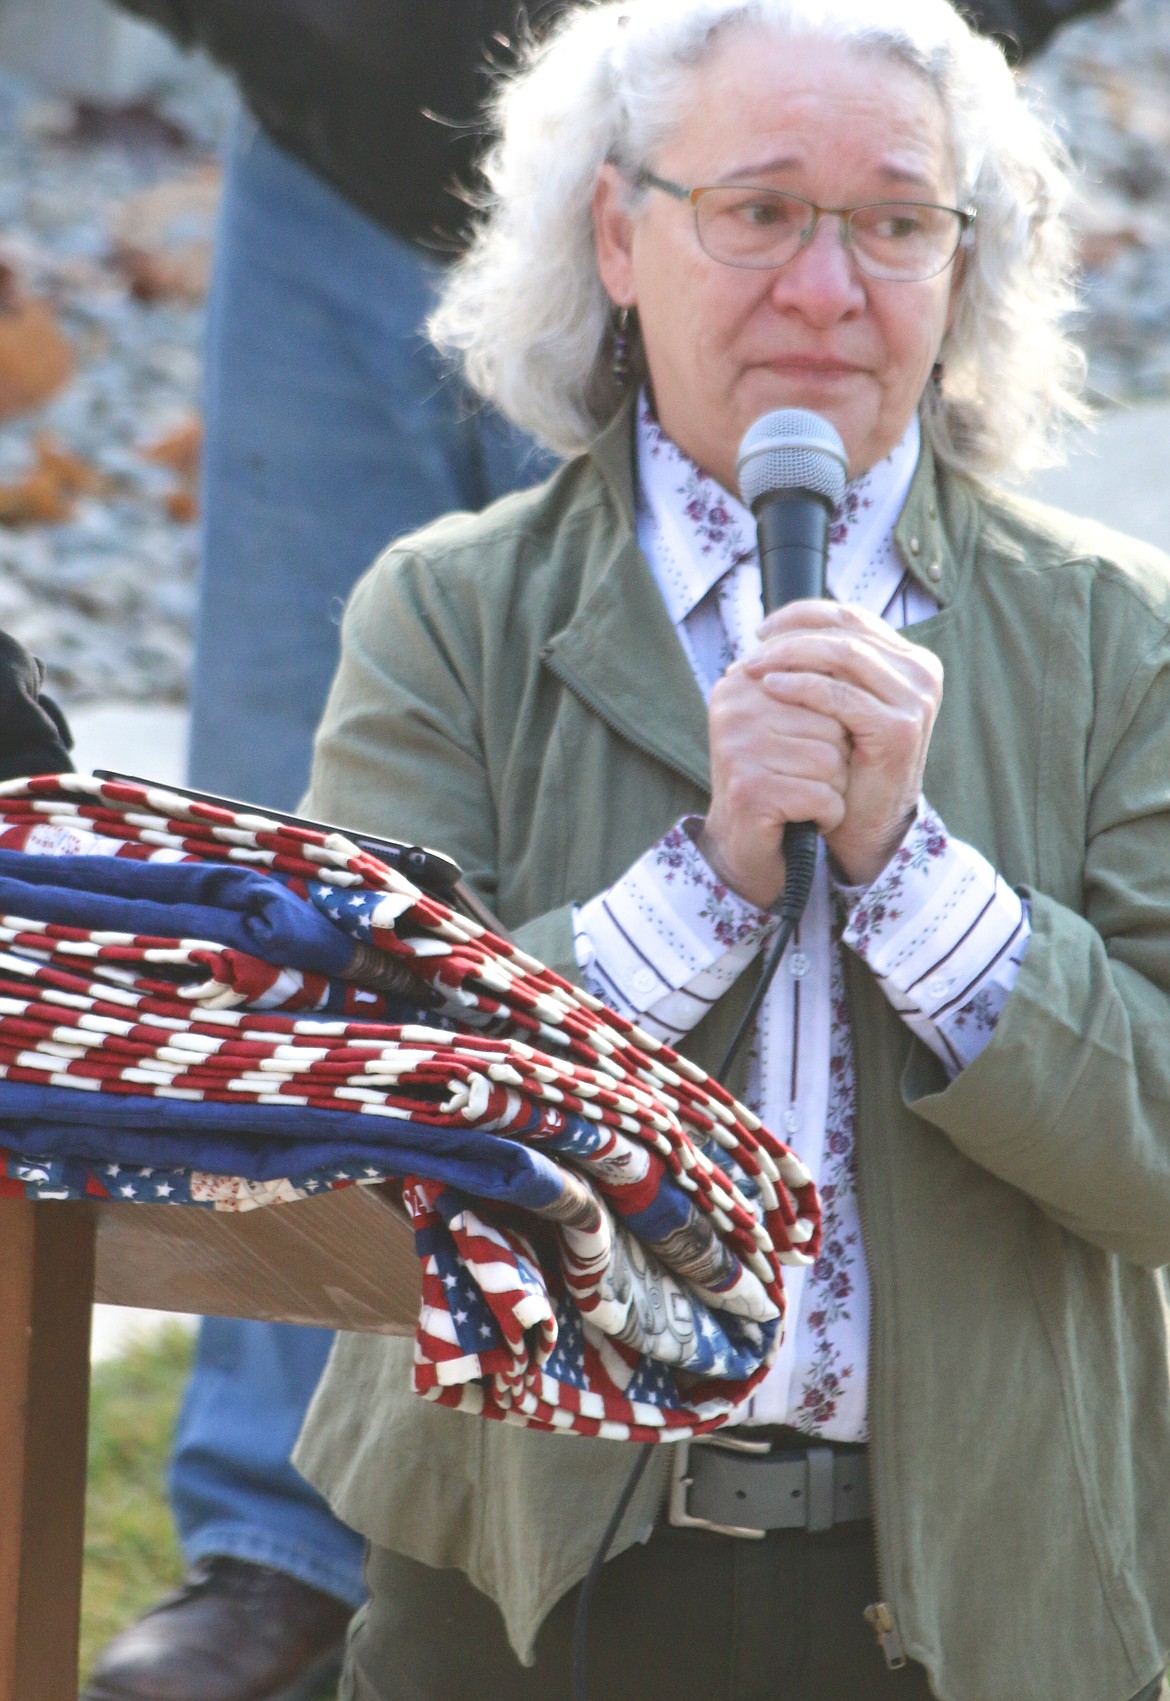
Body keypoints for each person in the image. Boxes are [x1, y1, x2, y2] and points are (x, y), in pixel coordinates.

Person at [289, 1, 1170, 1697]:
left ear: (964, 261)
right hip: (514, 1589)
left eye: (897, 223)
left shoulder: (1118, 638)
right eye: (759, 210)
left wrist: (912, 872)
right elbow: (354, 1114)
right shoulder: (446, 614)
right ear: (619, 232)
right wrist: (707, 882)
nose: (828, 292)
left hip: (992, 1607)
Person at [84, 8, 560, 1701]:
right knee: (276, 878)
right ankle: (284, 1529)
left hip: (713, 170)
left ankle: (659, 1525)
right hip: (338, 175)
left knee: (689, 830)